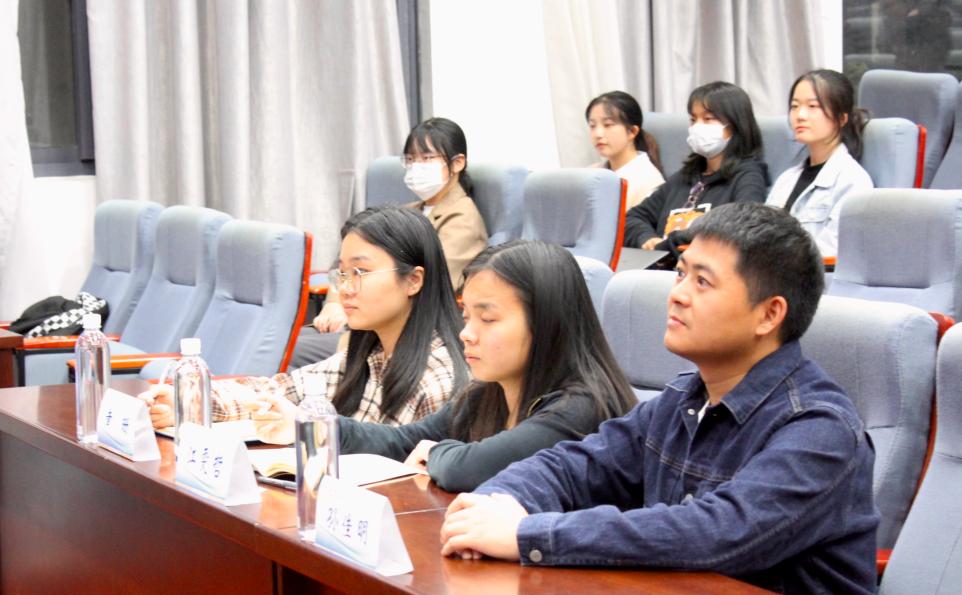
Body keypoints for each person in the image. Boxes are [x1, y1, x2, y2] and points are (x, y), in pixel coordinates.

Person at [439, 203, 899, 595]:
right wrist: (497, 503)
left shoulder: (819, 428)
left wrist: (527, 534)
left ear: (769, 315)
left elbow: (715, 533)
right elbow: (575, 464)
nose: (676, 295)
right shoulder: (683, 398)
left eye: (702, 282)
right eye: (680, 274)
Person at [323, 240, 637, 492]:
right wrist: (321, 427)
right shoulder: (486, 392)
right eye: (467, 317)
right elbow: (403, 442)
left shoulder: (583, 407)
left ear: (546, 324)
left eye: (487, 319)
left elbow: (473, 468)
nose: (466, 334)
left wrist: (435, 452)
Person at [142, 206, 467, 437]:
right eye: (342, 273)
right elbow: (278, 391)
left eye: (361, 272)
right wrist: (190, 402)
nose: (345, 288)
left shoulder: (439, 381)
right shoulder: (369, 356)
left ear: (413, 280)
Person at [291, 117, 487, 368]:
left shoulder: (463, 219)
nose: (417, 166)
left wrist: (351, 311)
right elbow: (347, 260)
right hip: (359, 316)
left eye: (427, 158)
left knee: (290, 351)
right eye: (411, 159)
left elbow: (428, 287)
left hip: (397, 330)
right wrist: (333, 303)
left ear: (457, 163)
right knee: (289, 340)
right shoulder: (409, 211)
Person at [624, 82, 768, 252]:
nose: (697, 127)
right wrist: (647, 238)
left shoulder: (748, 176)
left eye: (708, 119)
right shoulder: (685, 176)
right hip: (661, 263)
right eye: (693, 120)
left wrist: (668, 245)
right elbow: (633, 217)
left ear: (736, 124)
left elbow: (741, 229)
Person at [766, 69, 873, 259]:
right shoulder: (786, 178)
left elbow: (830, 253)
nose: (800, 115)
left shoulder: (853, 182)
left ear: (841, 118)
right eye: (795, 106)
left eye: (813, 106)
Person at [586, 90, 665, 210]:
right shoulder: (590, 174)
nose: (598, 134)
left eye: (608, 125)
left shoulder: (649, 182)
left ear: (632, 131)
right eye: (592, 126)